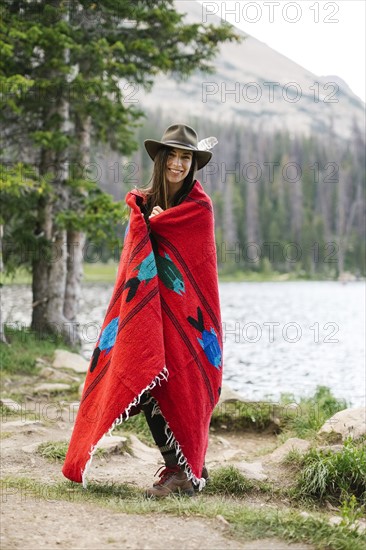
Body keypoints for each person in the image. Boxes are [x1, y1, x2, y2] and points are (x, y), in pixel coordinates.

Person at [62, 123, 223, 500]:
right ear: (161, 158)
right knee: (145, 378)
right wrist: (149, 227)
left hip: (186, 320)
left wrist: (160, 227)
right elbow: (134, 267)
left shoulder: (198, 209)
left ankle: (186, 469)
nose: (179, 164)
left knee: (181, 385)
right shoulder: (141, 204)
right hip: (145, 317)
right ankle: (183, 466)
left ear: (192, 164)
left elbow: (198, 273)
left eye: (186, 157)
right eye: (174, 155)